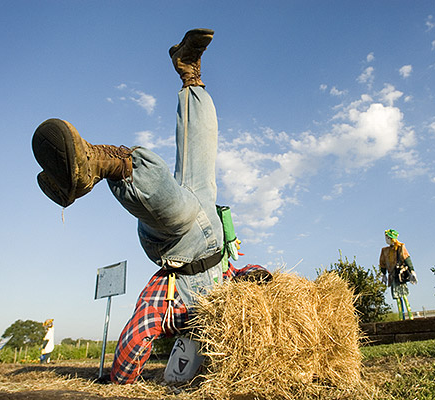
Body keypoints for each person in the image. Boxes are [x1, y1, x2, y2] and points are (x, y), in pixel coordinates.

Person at [31, 28, 271, 384]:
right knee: (201, 149)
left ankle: (105, 164)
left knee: (178, 211)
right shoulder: (229, 296)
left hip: (178, 246)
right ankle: (191, 72)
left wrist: (121, 382)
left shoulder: (169, 298)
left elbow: (137, 331)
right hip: (210, 224)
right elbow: (243, 273)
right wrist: (260, 276)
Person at [379, 229, 417, 320]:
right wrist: (383, 274)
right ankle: (401, 316)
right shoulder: (384, 251)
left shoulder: (400, 247)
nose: (386, 239)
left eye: (388, 238)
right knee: (397, 297)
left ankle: (410, 316)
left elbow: (407, 258)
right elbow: (382, 263)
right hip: (392, 276)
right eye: (386, 238)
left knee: (404, 295)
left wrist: (412, 271)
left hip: (400, 275)